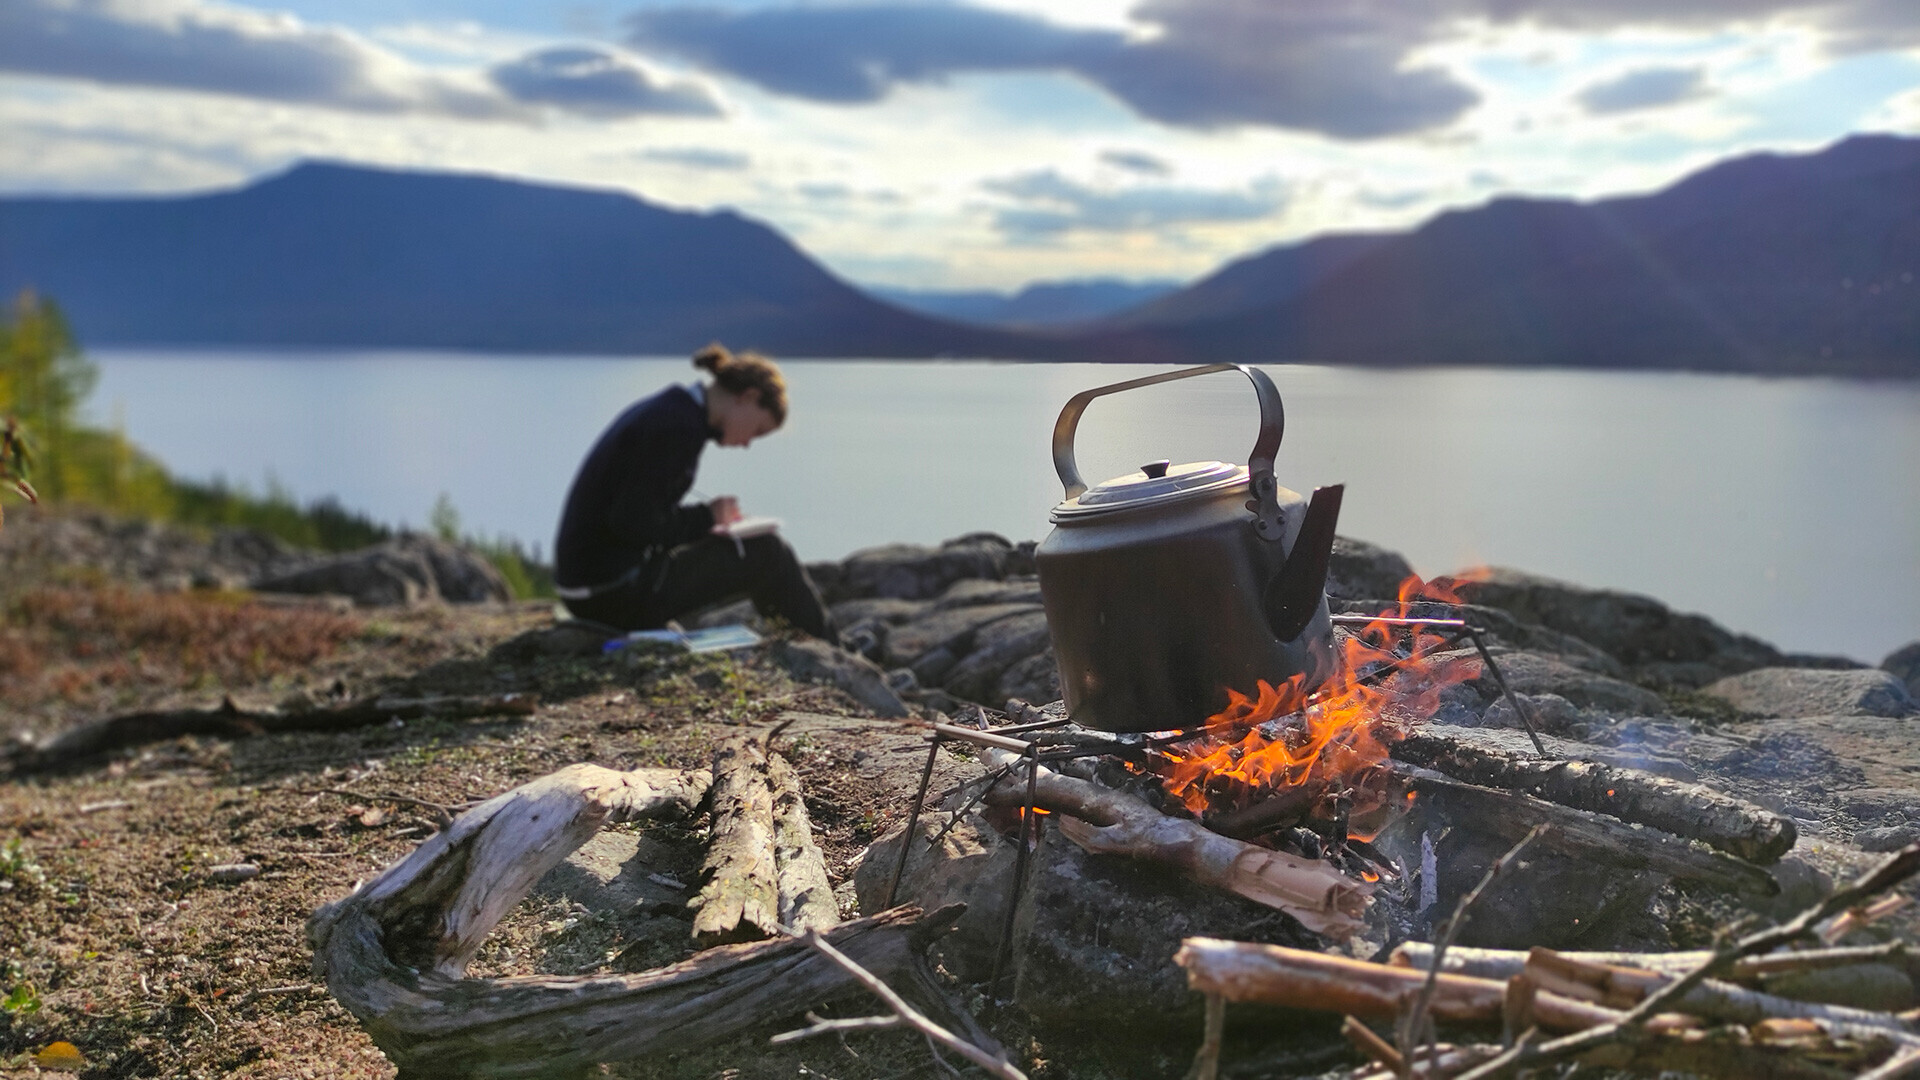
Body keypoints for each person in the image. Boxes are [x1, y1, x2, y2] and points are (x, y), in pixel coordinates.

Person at [553, 344, 836, 641]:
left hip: (591, 585)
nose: (747, 444)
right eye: (757, 430)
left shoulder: (674, 410)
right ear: (748, 397)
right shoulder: (678, 427)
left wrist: (710, 523)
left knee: (754, 547)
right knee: (768, 552)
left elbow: (638, 513)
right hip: (612, 594)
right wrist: (708, 516)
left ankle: (817, 644)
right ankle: (830, 650)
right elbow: (633, 522)